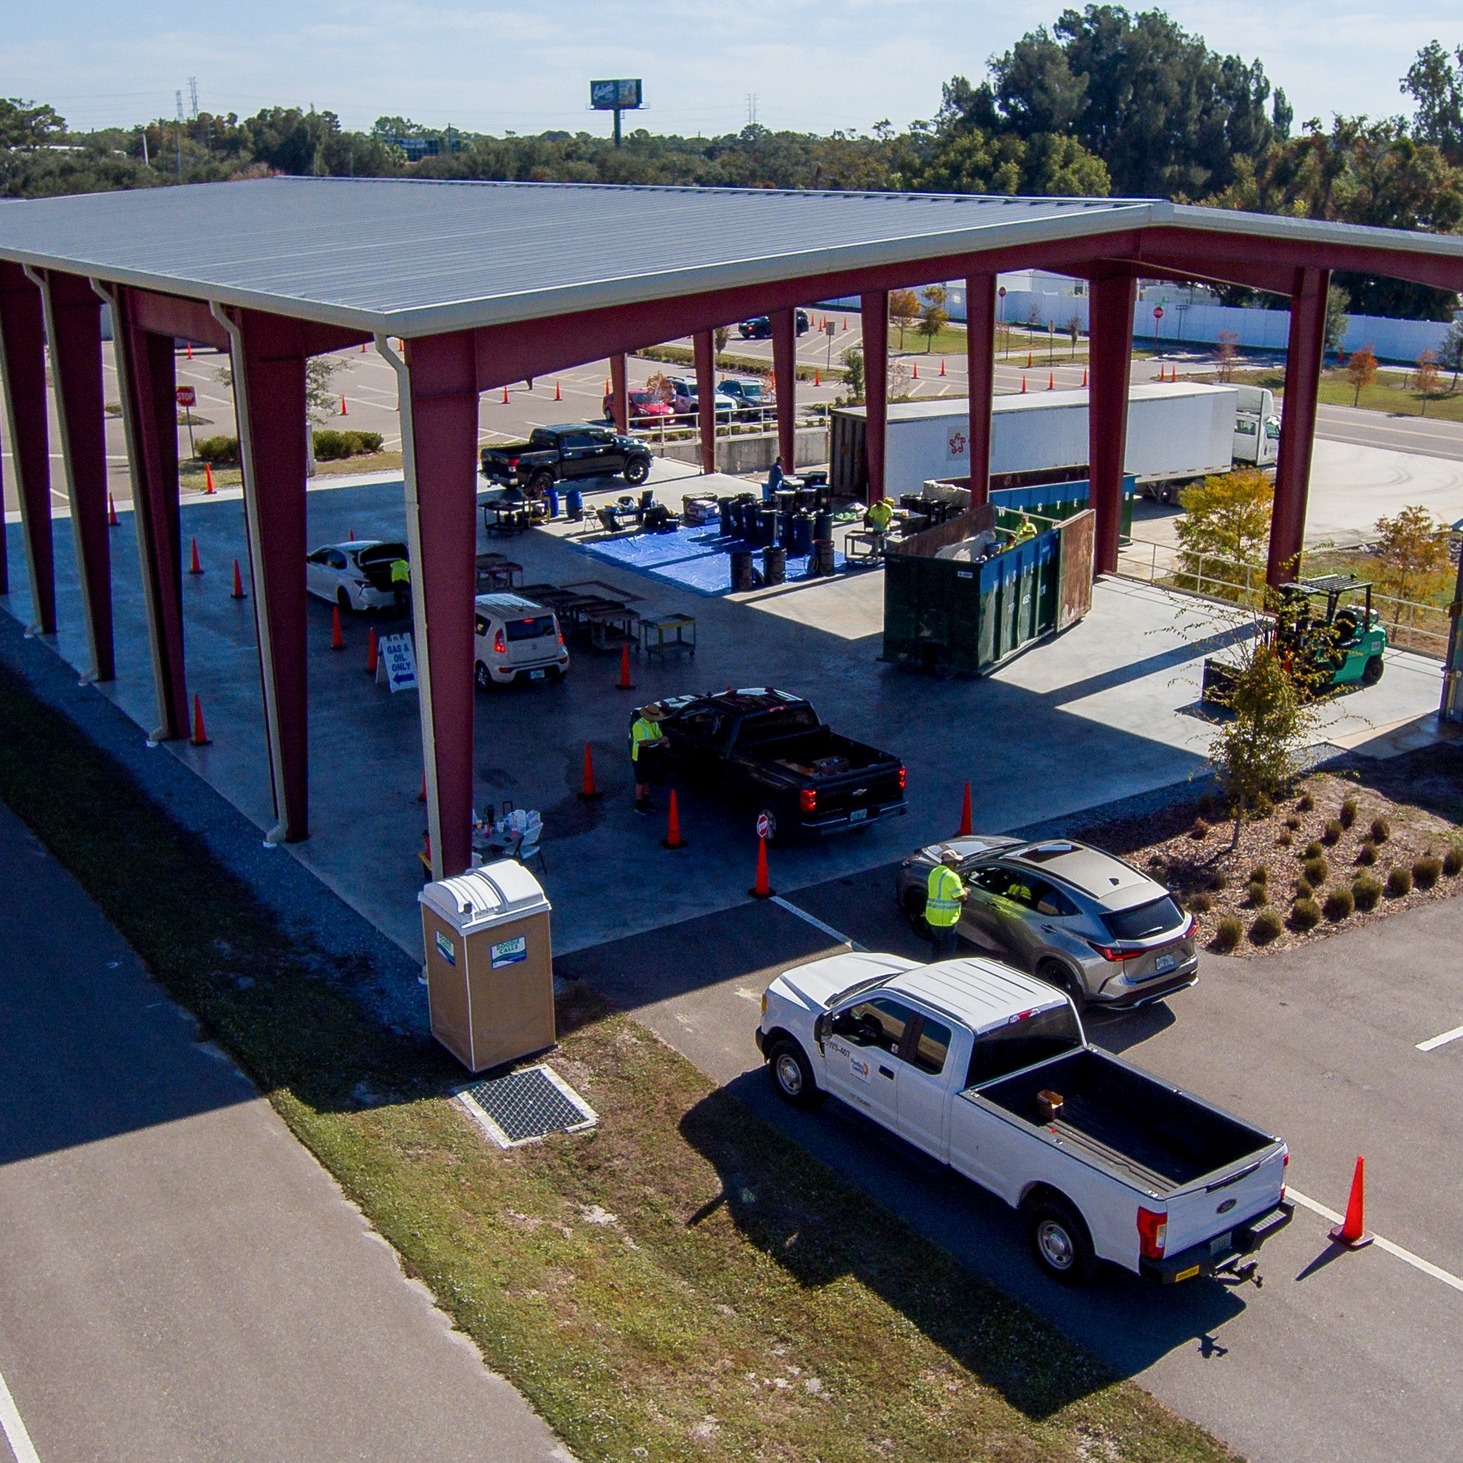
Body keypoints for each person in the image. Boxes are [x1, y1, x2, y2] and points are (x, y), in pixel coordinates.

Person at [925, 847, 968, 959]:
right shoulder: (952, 877)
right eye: (956, 863)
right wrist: (967, 891)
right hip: (945, 921)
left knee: (937, 947)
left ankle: (933, 968)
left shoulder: (934, 872)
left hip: (933, 917)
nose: (957, 866)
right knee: (947, 952)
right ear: (952, 863)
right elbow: (961, 898)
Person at [630, 702, 671, 814]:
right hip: (640, 756)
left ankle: (646, 801)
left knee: (648, 780)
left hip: (652, 755)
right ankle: (639, 804)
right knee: (641, 781)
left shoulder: (654, 724)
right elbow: (642, 743)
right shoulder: (638, 725)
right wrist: (659, 741)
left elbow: (658, 735)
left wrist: (664, 742)